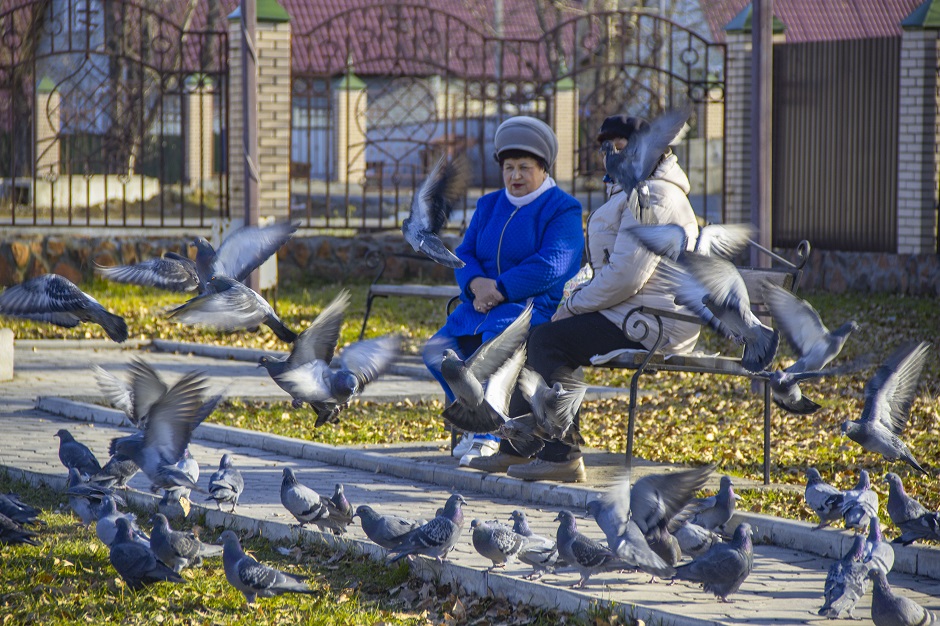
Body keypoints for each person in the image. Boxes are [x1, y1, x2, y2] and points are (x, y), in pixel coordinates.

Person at [471, 113, 701, 482]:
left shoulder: (655, 196)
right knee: (538, 335)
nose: (614, 157)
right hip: (635, 312)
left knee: (550, 340)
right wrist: (577, 300)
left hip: (657, 321)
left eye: (623, 148)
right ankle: (518, 448)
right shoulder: (632, 190)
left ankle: (562, 454)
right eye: (609, 149)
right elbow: (617, 272)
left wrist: (573, 305)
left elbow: (627, 276)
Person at [422, 116, 585, 467]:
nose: (515, 176)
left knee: (487, 355)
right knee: (436, 352)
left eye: (525, 167)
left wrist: (500, 288)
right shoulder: (489, 205)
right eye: (509, 168)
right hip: (479, 308)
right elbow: (464, 252)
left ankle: (488, 434)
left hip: (528, 308)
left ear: (543, 168)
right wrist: (475, 285)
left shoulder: (562, 208)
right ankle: (473, 422)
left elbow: (553, 263)